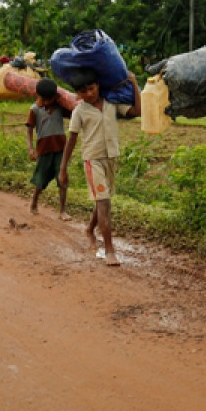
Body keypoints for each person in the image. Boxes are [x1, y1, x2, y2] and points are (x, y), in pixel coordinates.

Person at [59, 68, 141, 266]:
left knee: (102, 199)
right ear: (78, 94)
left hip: (111, 158)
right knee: (104, 203)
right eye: (83, 91)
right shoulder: (79, 111)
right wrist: (63, 168)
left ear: (98, 86)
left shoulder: (111, 103)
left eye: (92, 88)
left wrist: (134, 84)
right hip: (92, 160)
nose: (89, 93)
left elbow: (136, 112)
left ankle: (89, 229)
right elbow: (71, 140)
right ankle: (110, 250)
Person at [26, 78, 71, 220]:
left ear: (55, 96)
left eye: (49, 99)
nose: (46, 102)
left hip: (61, 149)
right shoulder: (34, 109)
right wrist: (30, 148)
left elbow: (73, 113)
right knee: (40, 179)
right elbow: (29, 129)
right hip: (44, 149)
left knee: (62, 179)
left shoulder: (60, 107)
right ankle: (34, 202)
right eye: (43, 99)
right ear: (38, 96)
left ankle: (62, 211)